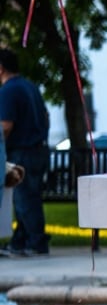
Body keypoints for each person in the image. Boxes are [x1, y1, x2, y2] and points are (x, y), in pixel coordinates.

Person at [0, 48, 51, 257]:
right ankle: (20, 241)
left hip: (21, 151)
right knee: (29, 197)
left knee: (24, 199)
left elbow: (5, 126)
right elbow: (46, 115)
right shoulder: (30, 86)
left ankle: (35, 242)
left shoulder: (8, 91)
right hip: (38, 148)